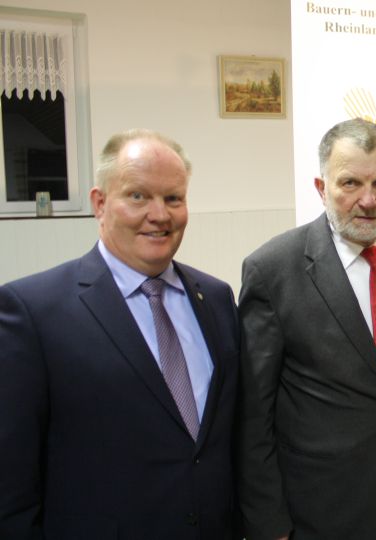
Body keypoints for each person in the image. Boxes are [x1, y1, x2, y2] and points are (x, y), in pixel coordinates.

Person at [0, 129, 240, 539]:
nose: (160, 214)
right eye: (138, 196)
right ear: (99, 203)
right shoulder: (33, 312)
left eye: (173, 198)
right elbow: (13, 485)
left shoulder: (216, 299)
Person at [236, 118, 376, 539]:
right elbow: (254, 416)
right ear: (321, 187)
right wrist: (268, 523)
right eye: (350, 183)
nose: (368, 200)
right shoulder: (274, 270)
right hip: (325, 511)